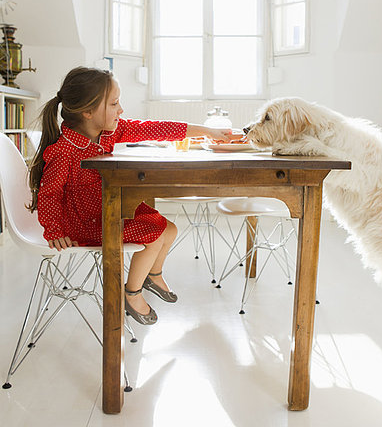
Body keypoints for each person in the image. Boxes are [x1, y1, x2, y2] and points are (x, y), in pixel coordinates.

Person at [28, 66, 241, 326]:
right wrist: (53, 229)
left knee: (170, 229)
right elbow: (48, 194)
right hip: (84, 225)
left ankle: (153, 275)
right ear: (87, 112)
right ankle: (132, 293)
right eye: (115, 103)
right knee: (155, 234)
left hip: (106, 210)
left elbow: (157, 128)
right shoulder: (64, 150)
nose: (121, 110)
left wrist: (207, 131)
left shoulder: (109, 132)